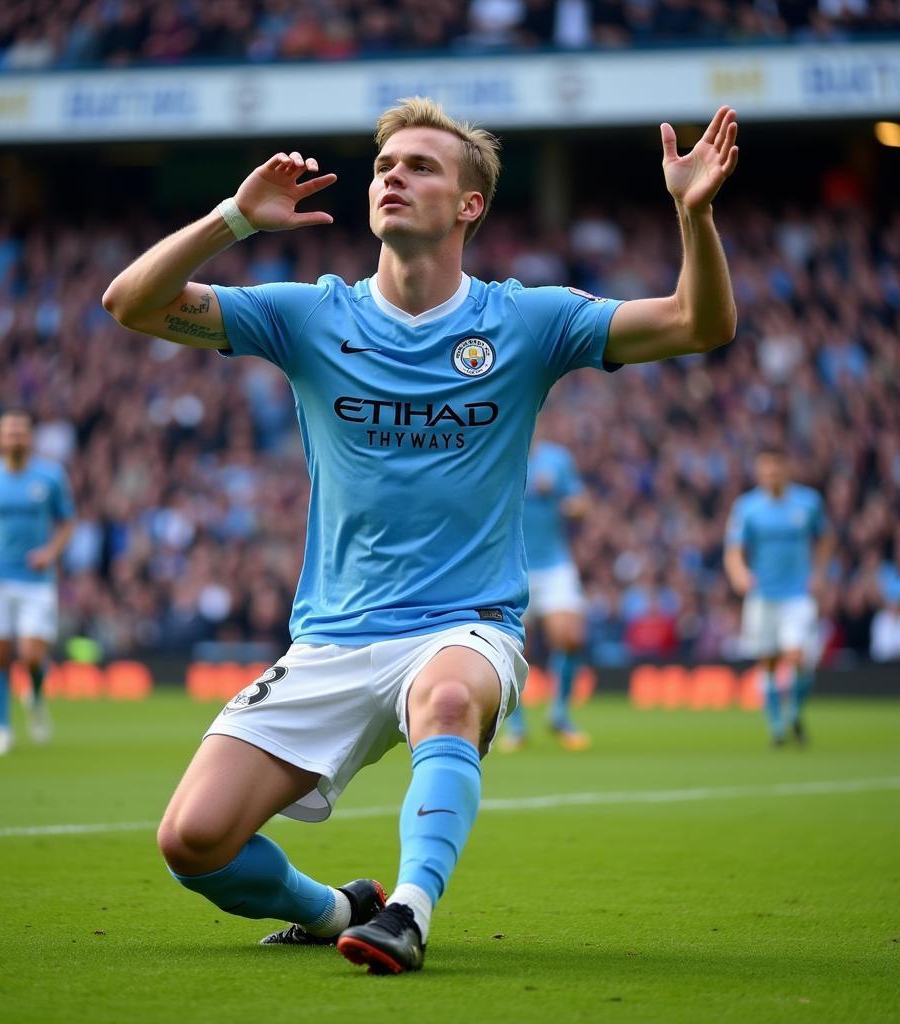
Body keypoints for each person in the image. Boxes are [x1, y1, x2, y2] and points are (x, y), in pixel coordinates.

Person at [103, 97, 738, 974]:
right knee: (193, 842)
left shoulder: (528, 319)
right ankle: (335, 910)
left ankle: (408, 910)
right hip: (330, 639)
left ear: (470, 205)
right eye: (384, 166)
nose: (392, 176)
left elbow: (700, 324)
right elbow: (130, 304)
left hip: (463, 624)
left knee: (446, 701)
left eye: (421, 166)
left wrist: (693, 215)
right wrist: (234, 219)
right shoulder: (310, 315)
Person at [0, 409, 75, 756]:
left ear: (30, 437)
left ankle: (35, 695)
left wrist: (50, 553)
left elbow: (67, 522)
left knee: (31, 654)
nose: (15, 437)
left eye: (21, 432)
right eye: (9, 432)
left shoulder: (51, 476)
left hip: (36, 580)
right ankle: (2, 730)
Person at [724, 447, 831, 746]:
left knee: (797, 656)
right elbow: (734, 550)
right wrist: (739, 574)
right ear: (759, 473)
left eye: (776, 469)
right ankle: (776, 726)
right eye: (766, 469)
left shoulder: (808, 502)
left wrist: (820, 572)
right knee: (768, 661)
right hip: (762, 594)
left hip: (797, 593)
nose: (771, 474)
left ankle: (794, 711)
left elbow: (824, 539)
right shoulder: (747, 507)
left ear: (787, 469)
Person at [502, 424, 592, 751]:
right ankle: (517, 727)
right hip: (511, 566)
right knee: (510, 648)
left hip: (555, 564)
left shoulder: (556, 459)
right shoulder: (497, 455)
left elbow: (582, 504)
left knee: (570, 636)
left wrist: (555, 495)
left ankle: (560, 714)